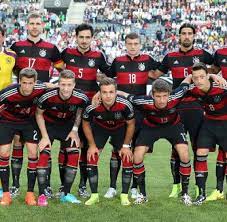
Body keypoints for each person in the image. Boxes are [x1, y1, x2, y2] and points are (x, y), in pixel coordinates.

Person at [151, 23, 214, 198]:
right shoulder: (170, 56)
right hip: (177, 107)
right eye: (183, 34)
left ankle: (196, 186)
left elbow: (216, 67)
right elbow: (154, 74)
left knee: (197, 148)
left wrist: (213, 76)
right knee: (175, 148)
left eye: (189, 34)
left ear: (194, 36)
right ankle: (176, 185)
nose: (186, 36)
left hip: (196, 107)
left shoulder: (202, 54)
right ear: (179, 36)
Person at [9, 11, 63, 198]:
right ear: (27, 26)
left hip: (41, 102)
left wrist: (53, 85)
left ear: (43, 26)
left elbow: (63, 71)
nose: (34, 26)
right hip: (20, 102)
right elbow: (8, 67)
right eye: (31, 23)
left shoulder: (51, 48)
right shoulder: (16, 46)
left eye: (37, 23)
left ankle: (45, 185)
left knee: (41, 145)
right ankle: (15, 185)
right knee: (17, 142)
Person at [118, 76, 193, 205]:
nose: (162, 100)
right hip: (151, 127)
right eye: (158, 96)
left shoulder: (176, 95)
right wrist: (102, 93)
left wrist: (204, 75)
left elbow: (187, 81)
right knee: (137, 156)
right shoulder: (143, 101)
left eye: (165, 96)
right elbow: (125, 94)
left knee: (185, 154)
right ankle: (142, 194)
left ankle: (185, 194)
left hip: (173, 126)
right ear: (152, 95)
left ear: (169, 94)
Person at [104, 32, 160, 199]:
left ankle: (135, 187)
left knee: (136, 150)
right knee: (116, 149)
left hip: (140, 112)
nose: (133, 47)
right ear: (125, 45)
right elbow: (108, 80)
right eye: (130, 44)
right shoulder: (118, 61)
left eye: (136, 43)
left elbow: (158, 73)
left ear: (140, 45)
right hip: (119, 111)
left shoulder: (148, 60)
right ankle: (112, 187)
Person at [61, 23, 111, 198]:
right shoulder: (67, 53)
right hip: (70, 107)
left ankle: (82, 185)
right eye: (81, 37)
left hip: (89, 108)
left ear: (92, 38)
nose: (84, 40)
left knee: (84, 146)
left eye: (87, 37)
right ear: (76, 37)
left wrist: (99, 88)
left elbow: (109, 75)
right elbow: (60, 71)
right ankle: (63, 186)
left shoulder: (98, 56)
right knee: (66, 145)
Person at [35, 70, 89, 206]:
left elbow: (79, 112)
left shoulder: (81, 97)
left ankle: (66, 193)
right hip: (48, 125)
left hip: (67, 126)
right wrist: (45, 136)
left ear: (74, 84)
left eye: (69, 85)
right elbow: (38, 114)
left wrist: (75, 130)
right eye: (63, 84)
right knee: (44, 153)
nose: (65, 88)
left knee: (74, 152)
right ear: (58, 83)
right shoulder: (47, 96)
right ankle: (42, 194)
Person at [82, 77, 135, 206]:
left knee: (127, 157)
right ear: (99, 93)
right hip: (101, 129)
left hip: (120, 129)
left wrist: (126, 145)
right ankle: (94, 195)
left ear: (116, 92)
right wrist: (92, 145)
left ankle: (124, 195)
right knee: (92, 156)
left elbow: (131, 124)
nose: (108, 96)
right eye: (104, 92)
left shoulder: (125, 105)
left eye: (111, 92)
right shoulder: (92, 105)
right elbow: (85, 123)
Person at [0, 68, 46, 206]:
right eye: (24, 83)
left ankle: (30, 194)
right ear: (19, 81)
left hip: (28, 122)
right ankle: (6, 195)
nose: (27, 86)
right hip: (7, 122)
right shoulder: (8, 93)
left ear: (35, 82)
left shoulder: (40, 88)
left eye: (30, 83)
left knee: (33, 153)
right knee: (3, 153)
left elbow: (54, 86)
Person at [186, 62, 227, 205]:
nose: (199, 81)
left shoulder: (221, 87)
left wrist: (216, 76)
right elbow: (178, 91)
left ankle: (220, 190)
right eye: (195, 78)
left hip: (225, 124)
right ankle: (201, 194)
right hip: (208, 124)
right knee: (200, 153)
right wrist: (188, 80)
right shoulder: (193, 89)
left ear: (207, 76)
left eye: (202, 77)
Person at [204, 47, 227, 201]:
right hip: (223, 104)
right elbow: (211, 70)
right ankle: (219, 190)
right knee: (223, 150)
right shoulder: (220, 53)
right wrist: (212, 74)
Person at [0, 25, 16, 197]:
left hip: (4, 108)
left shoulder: (11, 56)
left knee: (2, 149)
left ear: (3, 37)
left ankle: (0, 186)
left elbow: (21, 77)